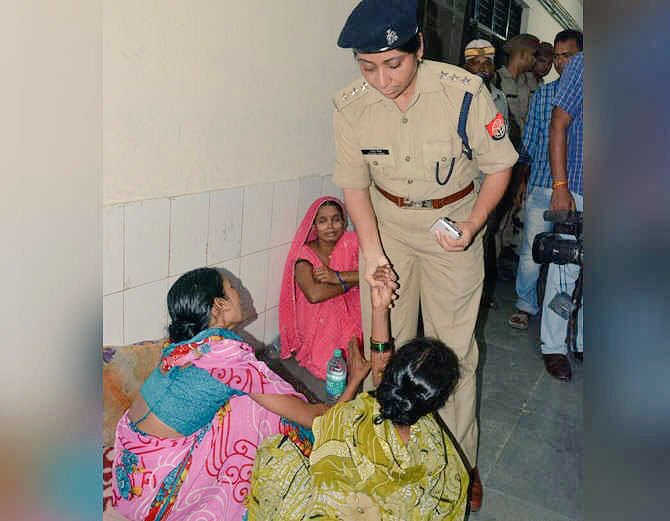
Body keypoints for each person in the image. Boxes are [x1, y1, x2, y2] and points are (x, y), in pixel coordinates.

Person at [331, 0, 518, 511]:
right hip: (389, 226)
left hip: (450, 228)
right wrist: (372, 253)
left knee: (452, 352)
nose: (382, 80)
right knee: (388, 346)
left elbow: (499, 166)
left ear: (418, 47)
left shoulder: (462, 93)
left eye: (393, 64)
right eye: (367, 67)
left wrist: (472, 225)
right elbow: (354, 183)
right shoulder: (351, 105)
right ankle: (391, 453)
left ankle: (458, 463)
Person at [110, 267, 365, 521]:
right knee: (260, 411)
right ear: (219, 305)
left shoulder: (186, 347)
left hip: (128, 485)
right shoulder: (226, 356)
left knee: (249, 397)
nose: (240, 292)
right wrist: (354, 381)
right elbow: (313, 418)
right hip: (159, 498)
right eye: (232, 287)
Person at [246, 267, 469, 521]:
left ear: (393, 376)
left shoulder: (353, 417)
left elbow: (323, 421)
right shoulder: (435, 447)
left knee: (275, 454)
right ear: (436, 400)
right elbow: (381, 362)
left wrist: (353, 382)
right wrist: (379, 309)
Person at [508, 30, 584, 331]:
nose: (561, 62)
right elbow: (530, 143)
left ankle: (564, 321)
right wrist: (521, 182)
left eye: (568, 56)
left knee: (568, 260)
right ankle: (525, 305)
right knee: (531, 252)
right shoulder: (543, 95)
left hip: (576, 189)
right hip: (542, 184)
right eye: (557, 56)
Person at [279, 197, 361, 379]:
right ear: (314, 225)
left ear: (344, 222)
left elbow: (375, 271)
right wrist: (354, 281)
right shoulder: (305, 253)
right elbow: (314, 295)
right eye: (323, 221)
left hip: (351, 308)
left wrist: (337, 277)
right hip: (317, 317)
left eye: (336, 219)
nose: (330, 226)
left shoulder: (350, 243)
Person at [540, 49, 584, 381]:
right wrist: (559, 185)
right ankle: (554, 346)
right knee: (565, 274)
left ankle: (584, 342)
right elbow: (559, 122)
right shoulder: (587, 63)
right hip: (579, 189)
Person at [463, 38, 510, 309]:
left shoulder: (498, 98)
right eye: (475, 62)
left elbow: (499, 142)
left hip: (486, 184)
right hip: (456, 183)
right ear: (465, 64)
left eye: (487, 62)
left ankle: (476, 296)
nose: (482, 67)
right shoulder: (451, 91)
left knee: (480, 240)